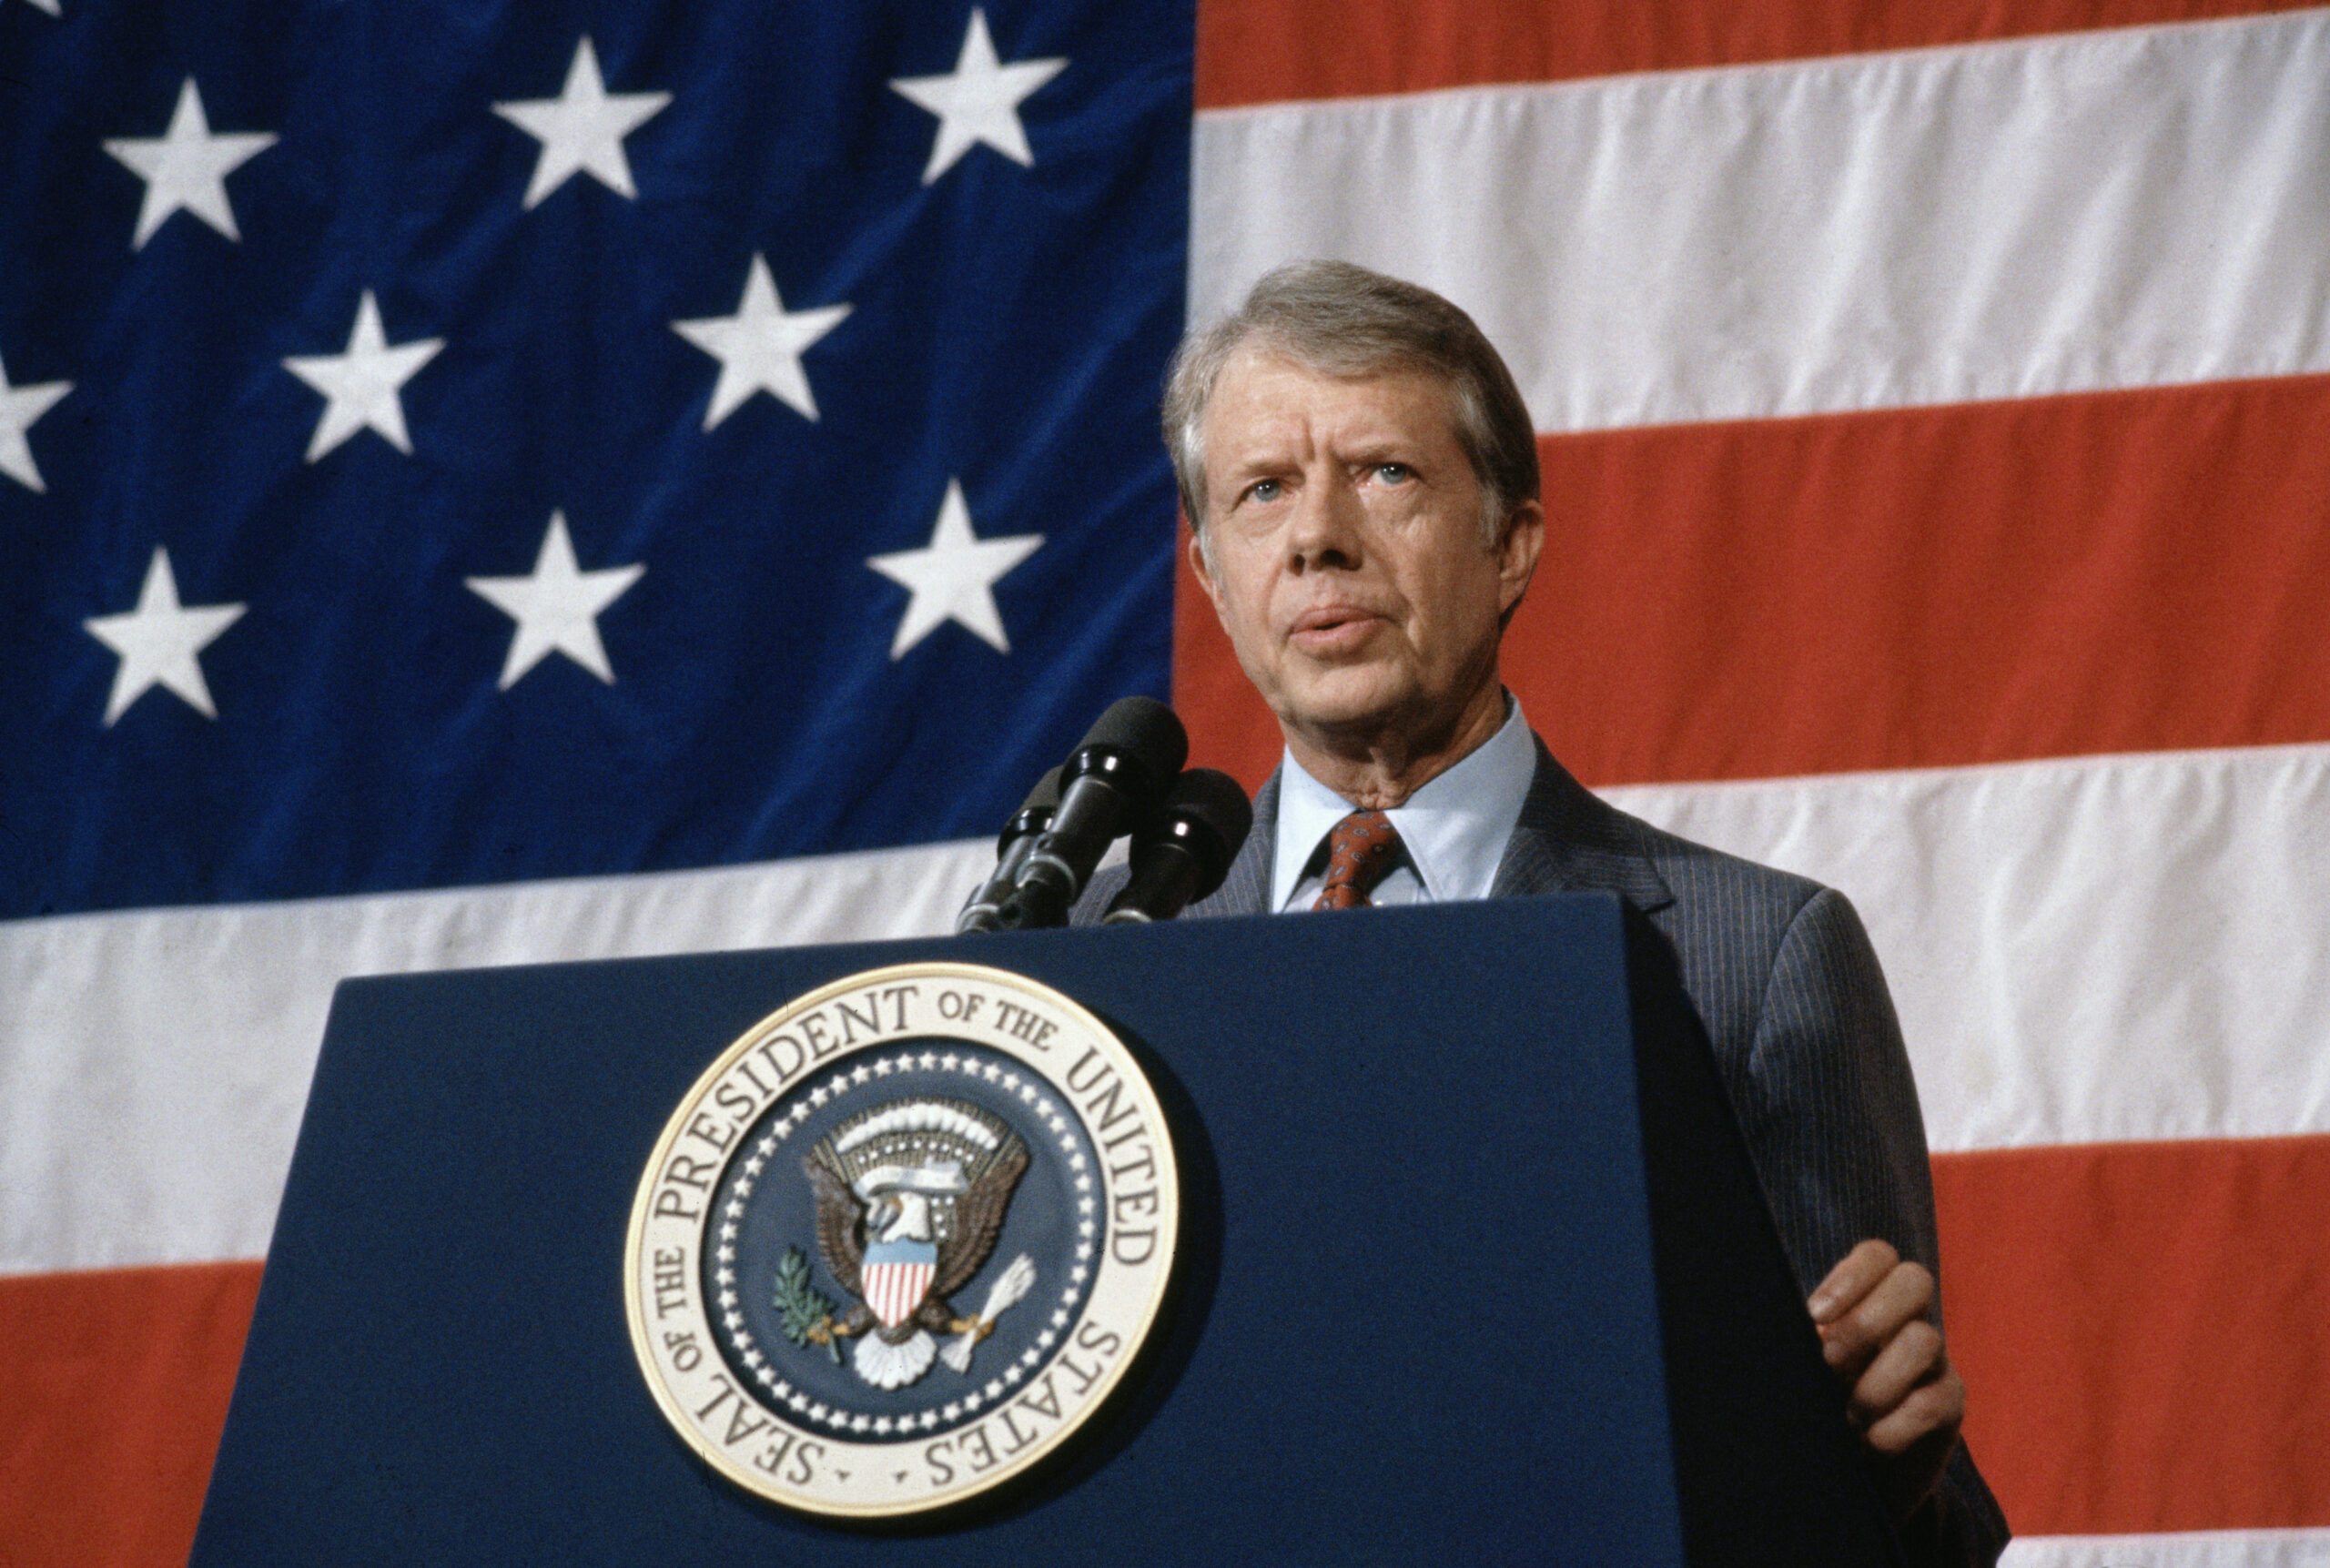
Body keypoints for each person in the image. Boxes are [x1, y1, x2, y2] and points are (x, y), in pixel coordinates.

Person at [1088, 259, 2008, 1563]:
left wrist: (1875, 1483)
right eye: (1263, 491)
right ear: (1216, 576)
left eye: (1385, 473)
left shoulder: (1751, 957)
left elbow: (1923, 1506)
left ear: (1510, 542)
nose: (1318, 536)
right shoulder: (1102, 962)